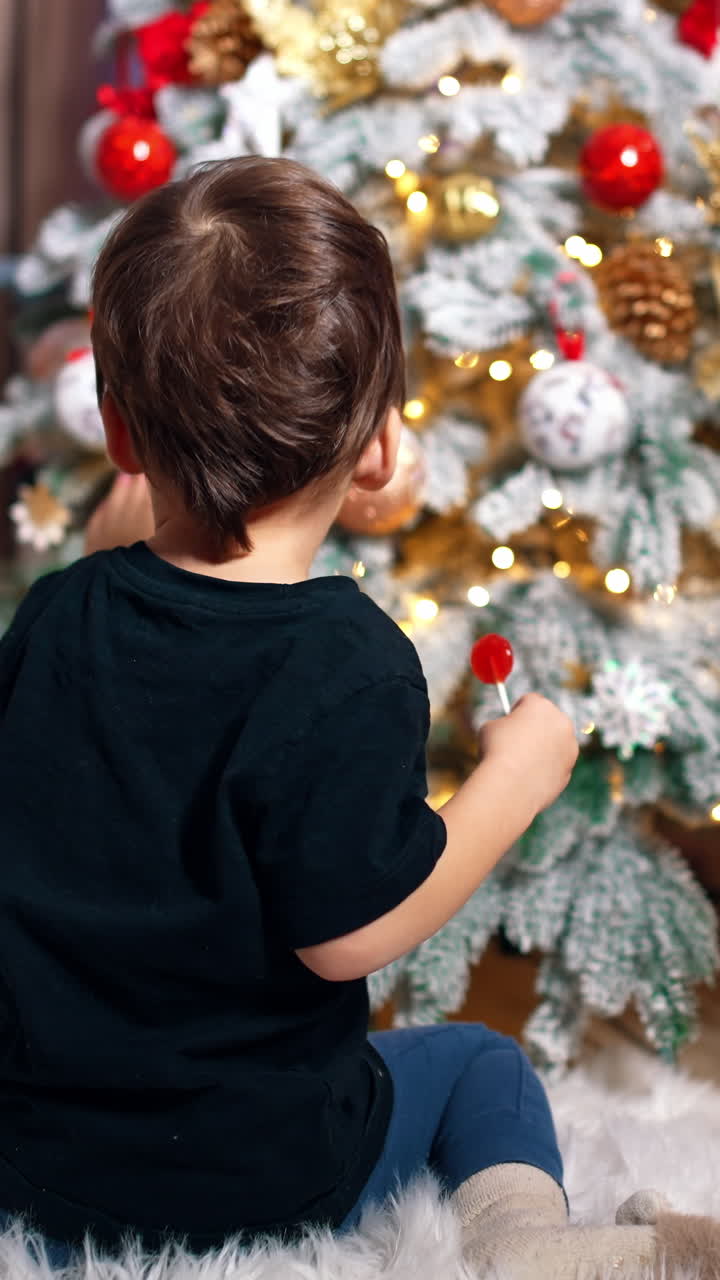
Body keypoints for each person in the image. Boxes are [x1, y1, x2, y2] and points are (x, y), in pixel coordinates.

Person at [0, 157, 714, 1280]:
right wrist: (512, 780)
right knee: (478, 1063)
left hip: (43, 1164)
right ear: (380, 447)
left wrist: (103, 567)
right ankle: (524, 1243)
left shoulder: (57, 614)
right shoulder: (345, 660)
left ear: (121, 437)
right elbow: (349, 934)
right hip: (263, 1171)